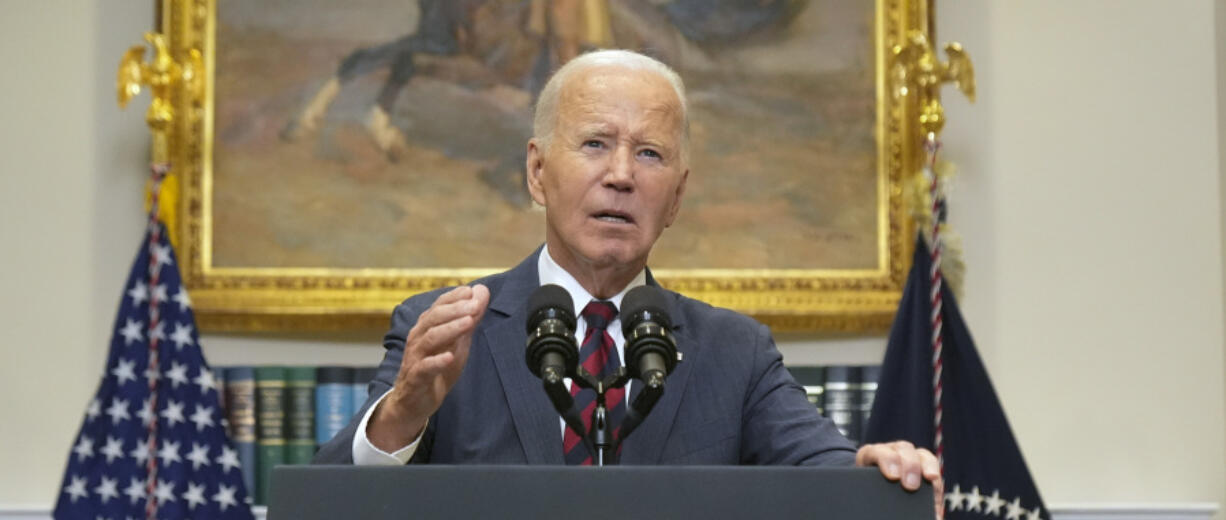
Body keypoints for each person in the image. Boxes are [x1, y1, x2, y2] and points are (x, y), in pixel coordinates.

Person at [314, 49, 940, 496]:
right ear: (537, 172)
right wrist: (402, 415)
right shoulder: (447, 332)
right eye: (594, 144)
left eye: (649, 153)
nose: (621, 174)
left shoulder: (733, 352)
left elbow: (823, 466)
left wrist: (874, 469)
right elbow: (331, 504)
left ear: (676, 197)